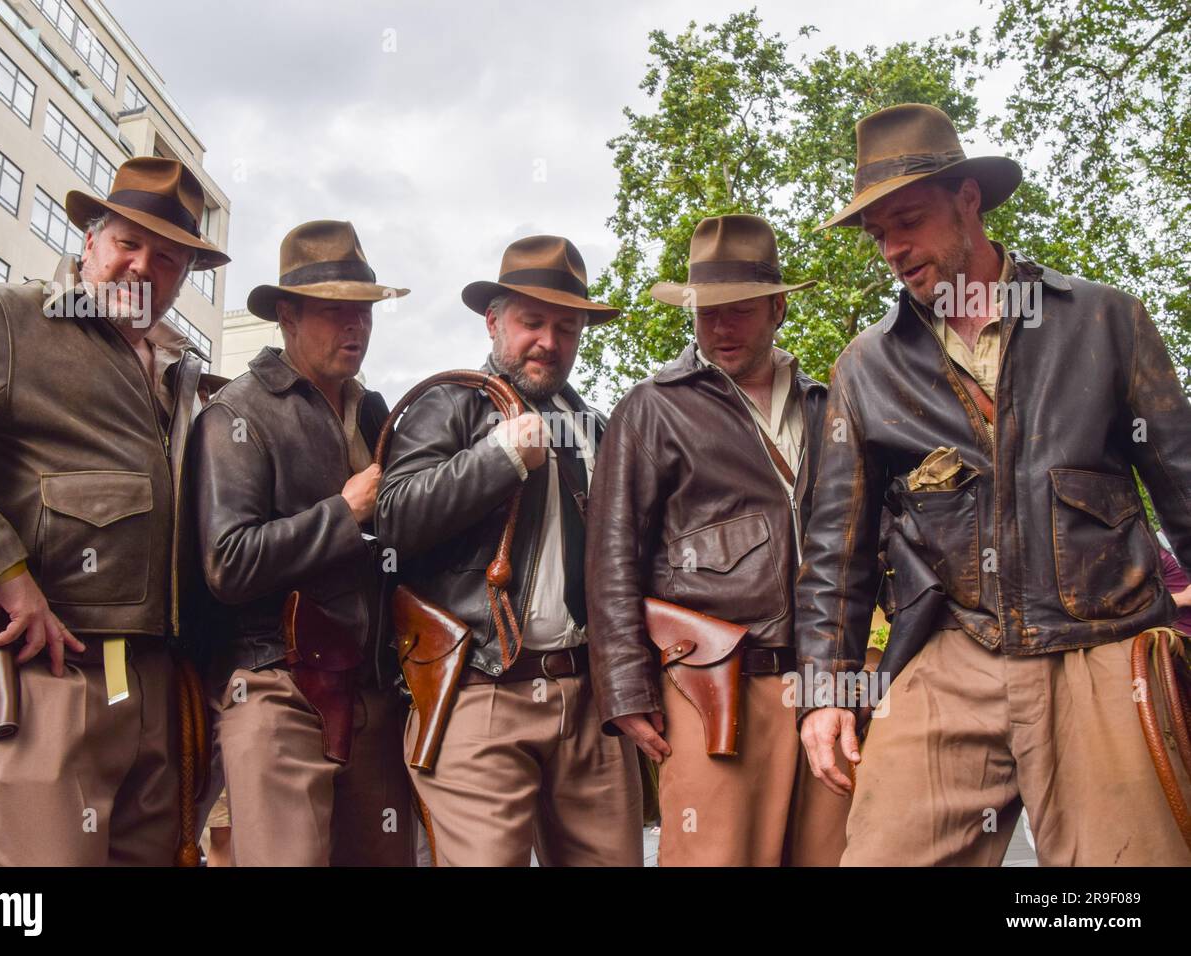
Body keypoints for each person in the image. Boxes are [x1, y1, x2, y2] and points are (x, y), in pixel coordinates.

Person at [796, 103, 1191, 865]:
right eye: (879, 234)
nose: (893, 249)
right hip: (950, 649)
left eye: (907, 220)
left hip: (1102, 644)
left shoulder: (1106, 321)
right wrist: (824, 691)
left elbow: (1183, 485)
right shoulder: (864, 369)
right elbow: (832, 552)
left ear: (969, 200)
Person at [0, 156, 229, 865]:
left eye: (167, 258)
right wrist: (2, 572)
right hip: (45, 670)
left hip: (155, 680)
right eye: (126, 245)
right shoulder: (11, 319)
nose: (142, 267)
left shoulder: (180, 371)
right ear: (87, 243)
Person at [586, 213, 849, 865]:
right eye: (707, 312)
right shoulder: (652, 408)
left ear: (779, 306)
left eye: (740, 310)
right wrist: (625, 689)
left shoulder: (827, 406)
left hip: (825, 682)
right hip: (713, 688)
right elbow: (611, 557)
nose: (721, 328)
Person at [377, 235, 643, 866]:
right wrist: (496, 459)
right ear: (494, 322)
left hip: (588, 701)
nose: (548, 341)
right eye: (531, 322)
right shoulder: (447, 402)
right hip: (481, 689)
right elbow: (393, 520)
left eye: (567, 326)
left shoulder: (594, 426)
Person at [190, 220, 414, 866]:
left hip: (370, 693)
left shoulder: (375, 412)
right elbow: (227, 563)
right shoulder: (237, 413)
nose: (356, 327)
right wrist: (343, 512)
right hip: (275, 687)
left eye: (364, 312)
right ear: (286, 316)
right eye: (334, 311)